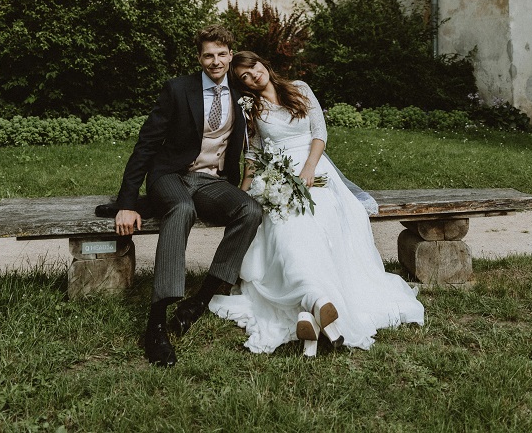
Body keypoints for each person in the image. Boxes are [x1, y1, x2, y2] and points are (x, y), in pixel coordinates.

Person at [210, 51, 424, 354]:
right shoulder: (252, 108)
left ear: (264, 65)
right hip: (277, 177)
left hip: (316, 172)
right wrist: (244, 192)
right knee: (287, 234)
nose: (252, 76)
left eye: (253, 68)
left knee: (317, 228)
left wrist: (309, 167)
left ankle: (313, 303)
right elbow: (254, 154)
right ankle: (318, 304)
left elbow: (319, 132)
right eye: (244, 76)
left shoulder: (299, 89)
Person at [114, 26, 262, 367]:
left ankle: (202, 299)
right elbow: (146, 145)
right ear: (199, 57)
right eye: (208, 55)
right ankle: (157, 322)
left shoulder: (241, 92)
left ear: (230, 55)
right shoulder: (178, 89)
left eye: (222, 54)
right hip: (170, 175)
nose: (216, 61)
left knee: (250, 211)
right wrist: (126, 202)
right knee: (181, 209)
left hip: (211, 180)